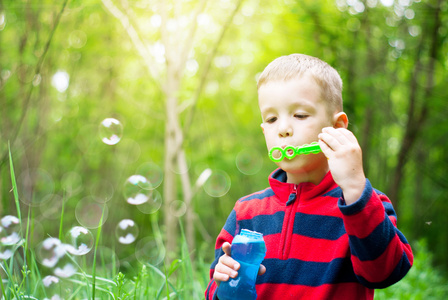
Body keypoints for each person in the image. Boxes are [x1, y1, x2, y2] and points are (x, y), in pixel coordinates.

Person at [205, 54, 413, 299]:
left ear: (337, 127)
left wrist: (356, 188)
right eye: (271, 119)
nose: (283, 129)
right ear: (264, 130)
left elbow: (384, 273)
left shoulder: (365, 204)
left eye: (300, 115)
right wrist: (225, 284)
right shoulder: (246, 212)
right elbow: (214, 292)